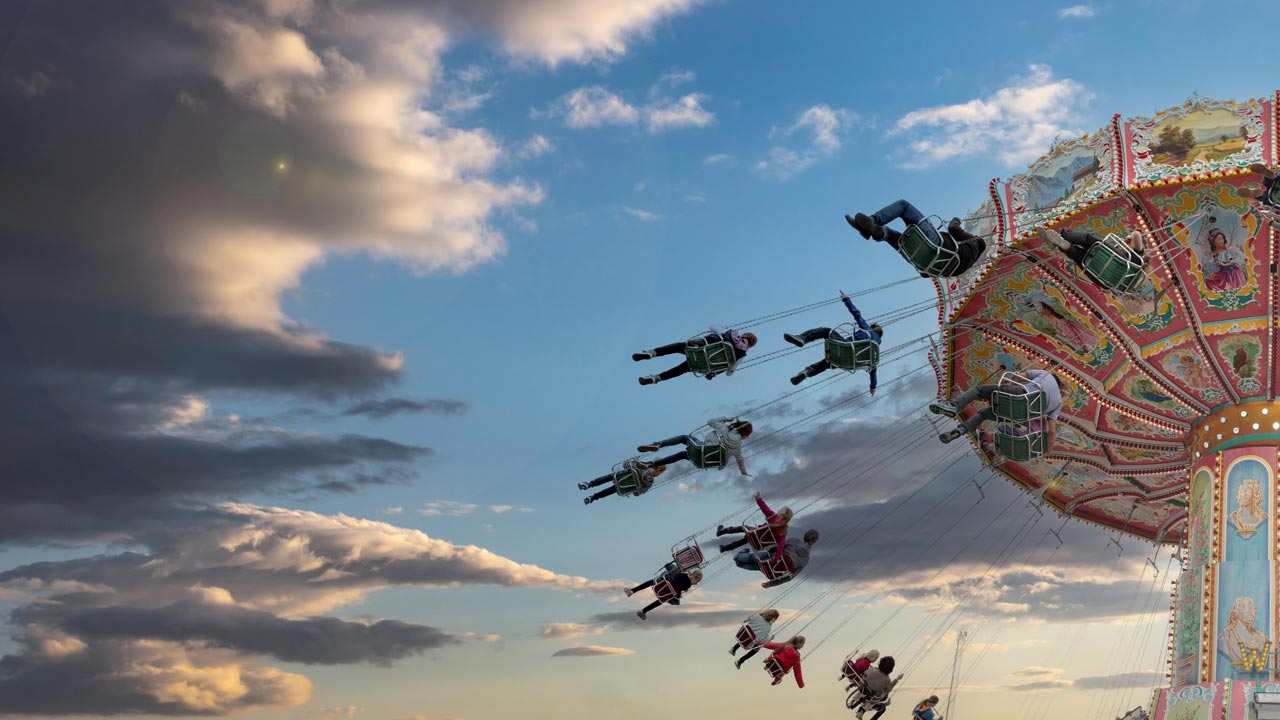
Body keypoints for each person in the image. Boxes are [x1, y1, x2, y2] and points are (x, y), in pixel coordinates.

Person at [930, 368, 1063, 452]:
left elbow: (1017, 377)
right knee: (984, 414)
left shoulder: (1045, 373)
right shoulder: (1058, 403)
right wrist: (1048, 450)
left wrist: (1014, 380)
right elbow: (1051, 431)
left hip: (1019, 395)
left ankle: (954, 406)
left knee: (979, 390)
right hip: (1017, 415)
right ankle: (960, 430)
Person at [847, 200, 987, 277]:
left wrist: (956, 219)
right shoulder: (964, 266)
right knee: (889, 234)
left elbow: (953, 228)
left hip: (937, 245)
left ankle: (871, 222)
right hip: (920, 261)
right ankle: (875, 231)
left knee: (904, 206)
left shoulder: (974, 242)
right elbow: (927, 275)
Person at [784, 291, 882, 392]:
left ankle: (802, 338)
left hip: (845, 348)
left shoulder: (868, 330)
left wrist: (846, 299)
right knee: (827, 362)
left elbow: (857, 314)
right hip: (848, 363)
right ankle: (807, 372)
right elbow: (873, 371)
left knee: (827, 331)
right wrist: (873, 386)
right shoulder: (874, 350)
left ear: (872, 328)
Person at [633, 329, 758, 385]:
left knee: (678, 346)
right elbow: (730, 372)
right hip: (703, 363)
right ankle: (656, 378)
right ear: (751, 345)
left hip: (697, 348)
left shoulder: (730, 333)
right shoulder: (743, 354)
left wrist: (724, 328)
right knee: (680, 370)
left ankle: (652, 353)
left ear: (744, 334)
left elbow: (712, 326)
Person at [638, 416, 752, 476]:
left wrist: (726, 419)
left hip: (701, 450)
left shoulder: (724, 428)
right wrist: (743, 472)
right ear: (744, 434)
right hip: (703, 462)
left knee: (684, 438)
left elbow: (711, 421)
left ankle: (658, 445)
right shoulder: (738, 446)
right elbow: (740, 460)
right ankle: (651, 464)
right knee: (683, 454)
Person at [1037, 226, 1146, 287]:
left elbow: (1137, 234)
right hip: (1099, 274)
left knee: (1088, 239)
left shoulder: (1137, 262)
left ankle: (1062, 236)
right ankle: (1060, 244)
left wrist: (1130, 236)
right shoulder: (1125, 286)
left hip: (1105, 256)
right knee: (1079, 257)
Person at [735, 529, 819, 588]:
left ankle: (739, 555)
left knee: (752, 558)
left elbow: (776, 547)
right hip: (772, 571)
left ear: (805, 535)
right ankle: (739, 563)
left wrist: (767, 549)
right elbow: (790, 577)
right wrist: (771, 584)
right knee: (757, 567)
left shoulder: (794, 540)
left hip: (770, 559)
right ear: (814, 542)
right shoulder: (806, 559)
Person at [717, 491, 791, 558]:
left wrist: (758, 499)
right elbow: (780, 547)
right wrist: (775, 558)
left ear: (782, 513)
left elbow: (765, 509)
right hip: (758, 544)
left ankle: (723, 531)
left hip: (754, 534)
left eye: (781, 510)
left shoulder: (774, 517)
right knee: (746, 539)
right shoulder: (784, 531)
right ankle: (724, 548)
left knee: (744, 527)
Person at [625, 562, 703, 620]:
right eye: (696, 582)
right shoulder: (688, 585)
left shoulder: (682, 574)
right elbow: (679, 590)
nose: (695, 584)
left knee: (653, 581)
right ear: (695, 578)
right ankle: (643, 611)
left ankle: (632, 591)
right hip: (665, 594)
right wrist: (679, 595)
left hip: (660, 585)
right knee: (662, 600)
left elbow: (668, 566)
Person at [579, 462, 667, 505]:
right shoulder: (650, 483)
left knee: (608, 477)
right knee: (608, 491)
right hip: (624, 487)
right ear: (659, 470)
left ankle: (589, 484)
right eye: (661, 473)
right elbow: (637, 493)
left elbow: (626, 465)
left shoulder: (643, 467)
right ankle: (591, 498)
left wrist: (636, 463)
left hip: (620, 476)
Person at [855, 656, 903, 720]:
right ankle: (862, 711)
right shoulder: (887, 680)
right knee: (882, 706)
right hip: (872, 698)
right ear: (890, 669)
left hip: (863, 691)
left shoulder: (872, 670)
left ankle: (859, 709)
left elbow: (865, 675)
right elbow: (888, 689)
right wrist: (897, 679)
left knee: (879, 701)